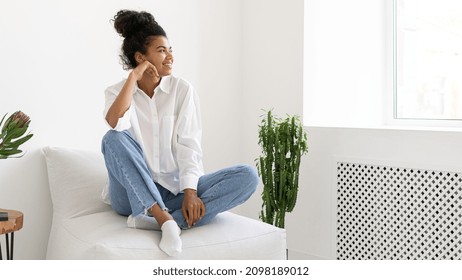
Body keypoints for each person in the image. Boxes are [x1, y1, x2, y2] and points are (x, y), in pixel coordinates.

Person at [100, 9, 259, 257]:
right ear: (140, 57)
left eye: (170, 49)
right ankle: (164, 219)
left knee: (247, 176)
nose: (170, 56)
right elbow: (114, 123)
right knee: (112, 139)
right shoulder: (118, 91)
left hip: (172, 189)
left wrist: (191, 192)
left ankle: (157, 219)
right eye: (162, 50)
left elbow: (189, 144)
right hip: (129, 195)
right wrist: (134, 76)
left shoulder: (182, 90)